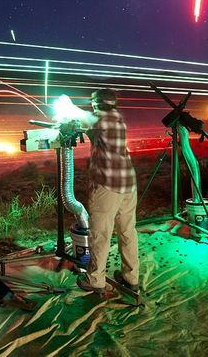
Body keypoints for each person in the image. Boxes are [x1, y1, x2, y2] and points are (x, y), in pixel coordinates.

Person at [77, 88, 139, 294]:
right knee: (128, 231)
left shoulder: (98, 118)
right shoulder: (118, 117)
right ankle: (131, 278)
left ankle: (95, 280)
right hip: (128, 183)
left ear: (95, 104)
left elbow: (77, 117)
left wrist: (66, 105)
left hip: (107, 185)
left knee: (101, 234)